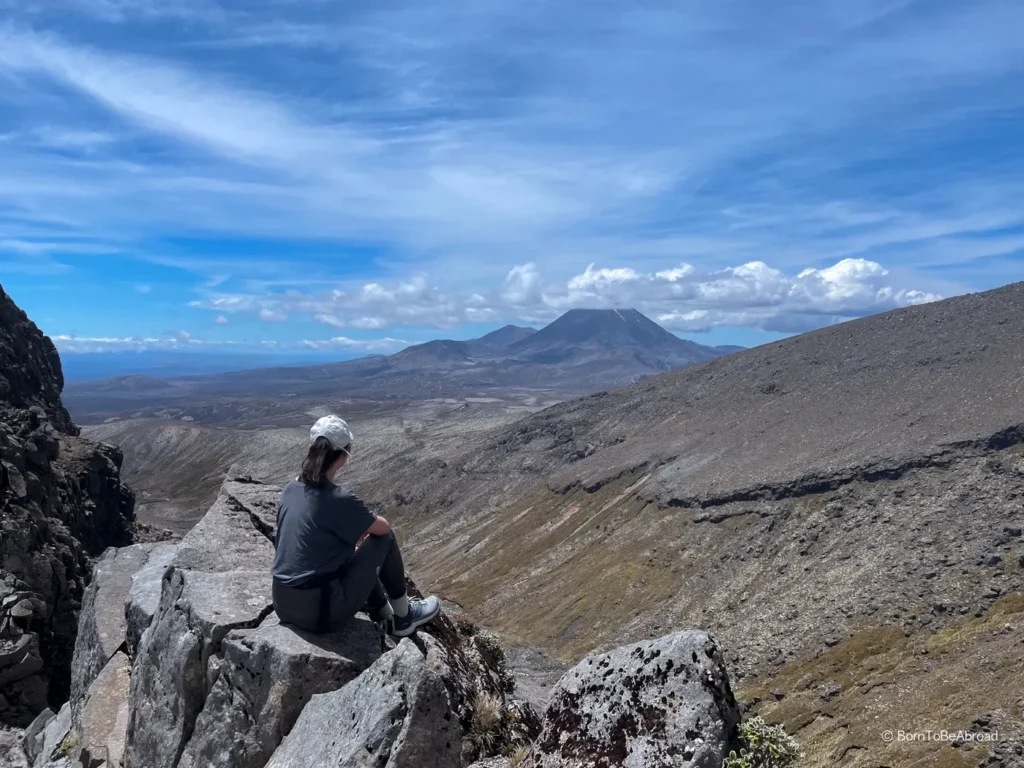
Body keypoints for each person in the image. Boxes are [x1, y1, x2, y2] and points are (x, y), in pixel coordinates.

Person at [271, 414, 440, 637]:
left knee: (350, 550)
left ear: (311, 447)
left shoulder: (289, 490)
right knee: (384, 539)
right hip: (320, 613)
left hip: (283, 604)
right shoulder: (338, 498)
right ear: (344, 456)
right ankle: (403, 616)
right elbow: (383, 529)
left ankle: (383, 612)